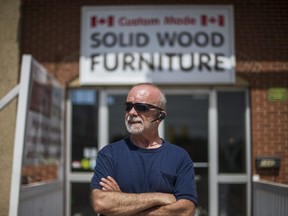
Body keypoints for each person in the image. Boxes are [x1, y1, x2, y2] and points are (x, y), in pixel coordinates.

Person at [90, 83, 198, 215]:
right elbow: (101, 203)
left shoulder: (179, 157)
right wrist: (159, 197)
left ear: (160, 116)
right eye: (128, 106)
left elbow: (185, 211)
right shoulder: (109, 154)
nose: (131, 112)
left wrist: (124, 205)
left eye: (141, 107)